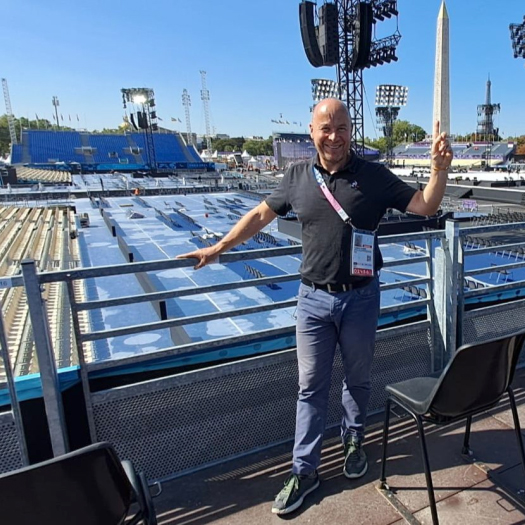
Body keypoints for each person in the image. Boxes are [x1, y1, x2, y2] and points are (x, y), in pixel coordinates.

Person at [176, 98, 452, 515]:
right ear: (311, 132)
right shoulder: (296, 177)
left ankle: (353, 439)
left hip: (361, 297)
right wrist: (219, 247)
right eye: (326, 128)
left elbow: (426, 206)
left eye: (341, 127)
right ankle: (304, 470)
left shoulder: (374, 177)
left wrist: (439, 170)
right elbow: (260, 215)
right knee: (310, 388)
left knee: (358, 379)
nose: (334, 136)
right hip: (313, 300)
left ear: (350, 131)